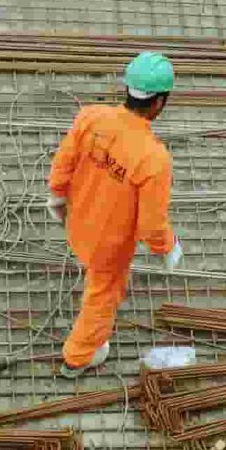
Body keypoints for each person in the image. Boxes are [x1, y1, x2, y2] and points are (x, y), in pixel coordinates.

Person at [46, 51, 183, 379]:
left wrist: (56, 194)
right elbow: (151, 225)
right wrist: (167, 248)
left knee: (94, 276)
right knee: (103, 295)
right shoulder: (154, 158)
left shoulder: (91, 117)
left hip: (77, 220)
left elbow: (64, 160)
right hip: (108, 245)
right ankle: (77, 358)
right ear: (159, 103)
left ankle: (82, 348)